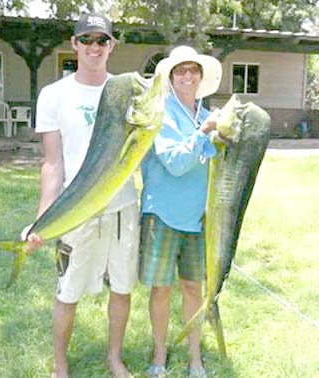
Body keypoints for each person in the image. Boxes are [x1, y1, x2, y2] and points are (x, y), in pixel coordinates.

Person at [23, 12, 139, 378]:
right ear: (73, 44)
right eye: (86, 39)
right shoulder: (53, 95)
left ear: (112, 46)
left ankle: (114, 358)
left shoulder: (127, 92)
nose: (94, 47)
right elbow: (53, 164)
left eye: (102, 40)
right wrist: (42, 219)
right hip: (78, 210)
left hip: (123, 210)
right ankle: (60, 364)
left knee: (122, 289)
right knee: (67, 292)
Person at [139, 46, 223, 378]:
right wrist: (204, 134)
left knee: (193, 288)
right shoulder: (160, 112)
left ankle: (194, 357)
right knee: (161, 289)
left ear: (201, 77)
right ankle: (159, 355)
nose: (187, 76)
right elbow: (174, 163)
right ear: (170, 78)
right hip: (162, 214)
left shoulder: (208, 117)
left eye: (193, 70)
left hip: (199, 219)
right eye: (179, 71)